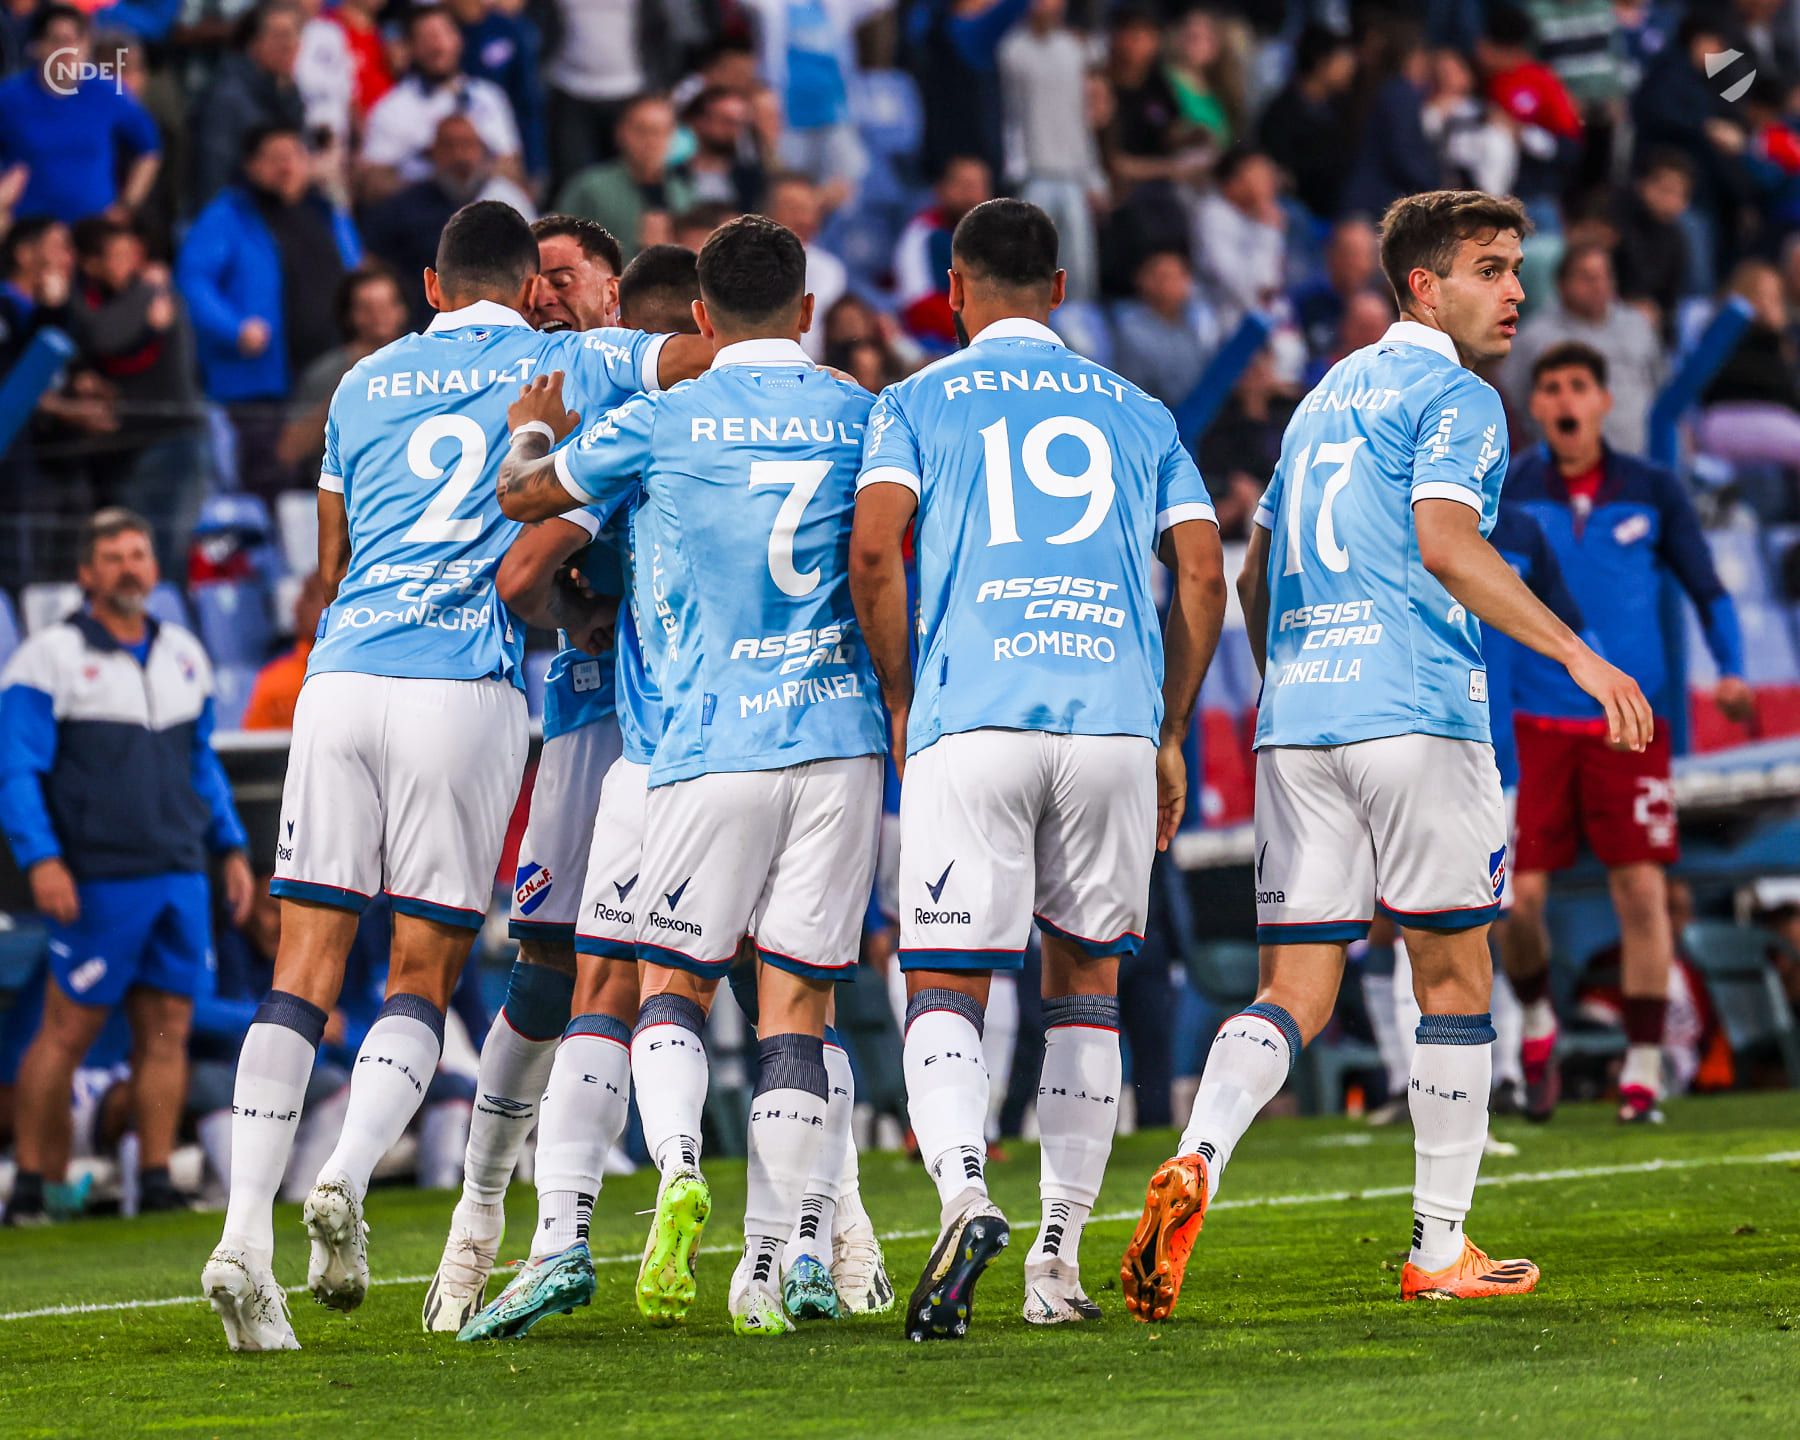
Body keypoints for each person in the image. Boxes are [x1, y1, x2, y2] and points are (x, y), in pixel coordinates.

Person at [1120, 191, 1652, 1322]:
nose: (1516, 291)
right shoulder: (1459, 398)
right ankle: (1438, 1248)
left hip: (1297, 723)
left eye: (1517, 268)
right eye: (1490, 269)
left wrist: (1292, 678)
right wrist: (1580, 656)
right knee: (1453, 977)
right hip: (1415, 712)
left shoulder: (1320, 401)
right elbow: (1447, 546)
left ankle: (1199, 1154)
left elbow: (1255, 573)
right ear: (1425, 285)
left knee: (1293, 989)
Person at [198, 201, 713, 1353]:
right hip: (460, 681)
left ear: (430, 287)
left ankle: (242, 1238)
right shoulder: (566, 361)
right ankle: (344, 1174)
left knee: (302, 966)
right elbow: (707, 354)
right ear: (531, 287)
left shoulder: (359, 383)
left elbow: (329, 564)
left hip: (340, 677)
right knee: (421, 970)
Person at [494, 215, 886, 1337]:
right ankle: (781, 1258)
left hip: (695, 741)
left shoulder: (659, 418)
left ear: (703, 319)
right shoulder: (865, 411)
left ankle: (666, 1173)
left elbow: (524, 505)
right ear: (805, 311)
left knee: (660, 988)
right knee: (798, 1007)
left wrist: (532, 431)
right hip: (837, 736)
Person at [852, 197, 1228, 1335]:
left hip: (974, 715)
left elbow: (874, 552)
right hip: (1111, 724)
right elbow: (1202, 574)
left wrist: (902, 694)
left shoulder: (915, 399)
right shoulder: (1140, 411)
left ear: (955, 291)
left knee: (944, 981)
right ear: (1060, 290)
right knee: (1086, 987)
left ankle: (965, 1192)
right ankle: (1057, 1264)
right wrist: (1169, 729)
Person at [419, 213, 631, 1334]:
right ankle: (479, 1220)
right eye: (533, 280)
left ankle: (820, 1235)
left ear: (612, 286)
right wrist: (574, 607)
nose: (544, 296)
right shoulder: (530, 405)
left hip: (700, 724)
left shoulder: (636, 387)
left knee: (754, 970)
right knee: (547, 971)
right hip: (593, 713)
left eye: (563, 276)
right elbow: (518, 574)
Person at [1506, 341, 1750, 1125]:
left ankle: (1643, 1068)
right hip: (1531, 723)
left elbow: (1707, 588)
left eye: (1578, 385)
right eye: (1550, 387)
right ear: (1535, 407)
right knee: (1516, 901)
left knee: (1642, 891)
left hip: (1629, 724)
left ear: (1604, 401)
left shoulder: (1653, 489)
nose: (1565, 399)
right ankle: (1536, 1020)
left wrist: (1732, 669)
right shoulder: (1508, 491)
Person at [0, 509, 255, 1223]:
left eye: (138, 554)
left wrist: (231, 847)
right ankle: (31, 1185)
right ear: (86, 573)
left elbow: (203, 765)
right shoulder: (46, 658)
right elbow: (16, 772)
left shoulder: (184, 653)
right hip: (97, 877)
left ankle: (157, 1178)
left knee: (168, 1027)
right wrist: (42, 859)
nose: (128, 568)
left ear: (154, 566)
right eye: (112, 557)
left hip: (180, 871)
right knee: (67, 1030)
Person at [175, 125, 362, 501]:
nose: (287, 167)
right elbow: (193, 281)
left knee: (332, 481)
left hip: (329, 373)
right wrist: (234, 329)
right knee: (270, 482)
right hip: (260, 382)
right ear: (250, 166)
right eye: (275, 158)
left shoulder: (325, 211)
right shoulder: (228, 215)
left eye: (295, 156)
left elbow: (355, 270)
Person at [362, 114, 538, 328]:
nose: (460, 156)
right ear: (433, 152)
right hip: (422, 327)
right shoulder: (402, 208)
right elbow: (373, 265)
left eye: (467, 145)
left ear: (482, 151)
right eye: (449, 146)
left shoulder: (508, 199)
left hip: (500, 325)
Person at [0, 5, 161, 226]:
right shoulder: (10, 97)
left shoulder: (108, 92)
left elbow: (149, 148)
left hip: (91, 229)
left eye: (73, 41)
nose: (65, 50)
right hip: (28, 229)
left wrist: (127, 205)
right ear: (36, 46)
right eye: (56, 40)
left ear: (86, 45)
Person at [1501, 242, 1663, 456]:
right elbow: (1510, 404)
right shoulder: (1535, 338)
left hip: (1639, 460)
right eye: (1587, 277)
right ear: (1561, 284)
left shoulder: (1637, 325)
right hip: (1561, 465)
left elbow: (1663, 390)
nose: (1598, 285)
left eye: (1604, 276)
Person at [356, 6, 524, 207]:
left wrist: (469, 170)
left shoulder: (489, 97)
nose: (437, 45)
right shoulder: (391, 108)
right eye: (426, 38)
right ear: (411, 48)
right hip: (422, 213)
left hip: (484, 209)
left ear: (459, 39)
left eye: (443, 34)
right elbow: (371, 185)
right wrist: (436, 179)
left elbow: (512, 167)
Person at [997, 0, 1107, 303]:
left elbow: (1081, 118)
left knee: (1080, 266)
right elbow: (1011, 114)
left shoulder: (1074, 50)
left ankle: (1081, 321)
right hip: (1033, 172)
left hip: (1072, 173)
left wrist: (1093, 176)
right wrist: (1015, 169)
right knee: (1032, 261)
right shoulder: (1011, 49)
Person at [190, 1, 307, 208]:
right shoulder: (227, 98)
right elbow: (212, 183)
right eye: (280, 35)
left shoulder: (289, 94)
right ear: (253, 43)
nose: (290, 45)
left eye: (296, 34)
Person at [555, 94, 696, 260]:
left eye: (660, 132)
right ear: (620, 132)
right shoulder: (589, 188)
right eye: (642, 130)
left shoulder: (684, 195)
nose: (651, 141)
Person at [1256, 22, 1357, 222]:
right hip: (1297, 213)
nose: (1350, 68)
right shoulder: (1281, 114)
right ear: (1321, 63)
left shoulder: (1341, 108)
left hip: (1338, 211)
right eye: (1342, 60)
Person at [894, 155, 992, 348]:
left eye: (977, 187)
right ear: (941, 189)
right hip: (937, 342)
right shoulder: (923, 233)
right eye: (963, 186)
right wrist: (983, 325)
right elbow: (917, 305)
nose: (970, 196)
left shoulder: (1003, 235)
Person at [1112, 249, 1224, 408]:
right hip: (1149, 410)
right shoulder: (1127, 325)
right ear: (1142, 279)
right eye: (1163, 277)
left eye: (1179, 276)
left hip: (1202, 408)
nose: (1172, 284)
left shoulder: (1198, 319)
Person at [765, 174, 846, 362]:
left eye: (808, 210)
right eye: (793, 209)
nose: (802, 218)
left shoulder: (830, 269)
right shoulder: (746, 262)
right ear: (767, 214)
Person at [241, 572, 326, 730]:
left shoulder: (365, 675)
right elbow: (252, 744)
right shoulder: (276, 681)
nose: (297, 607)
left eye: (310, 596)